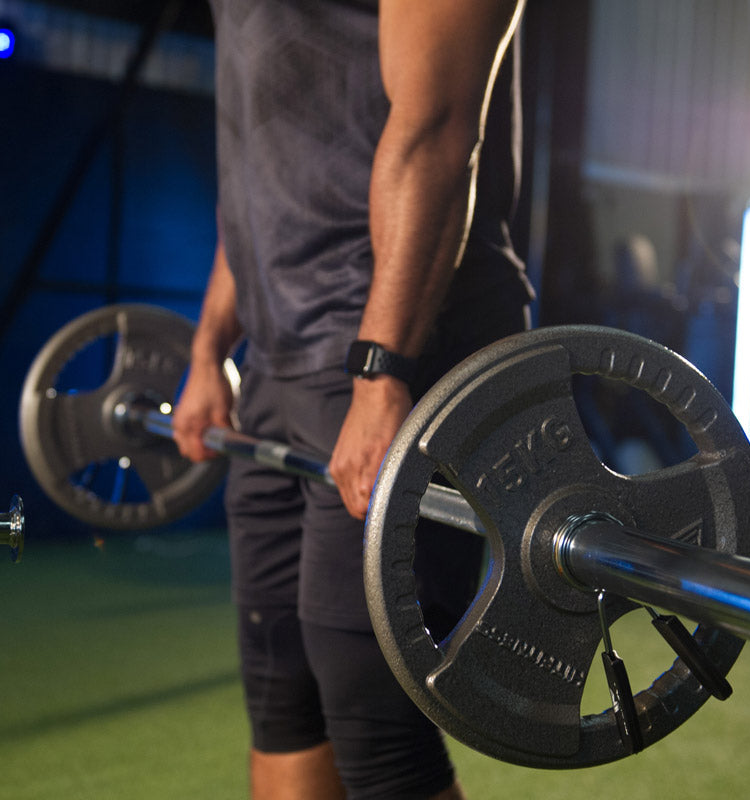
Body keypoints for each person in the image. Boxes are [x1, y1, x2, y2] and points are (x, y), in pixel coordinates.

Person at [173, 1, 534, 797]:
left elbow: (438, 129)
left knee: (379, 731)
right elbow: (260, 174)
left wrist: (381, 372)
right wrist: (209, 350)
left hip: (399, 345)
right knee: (282, 696)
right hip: (277, 357)